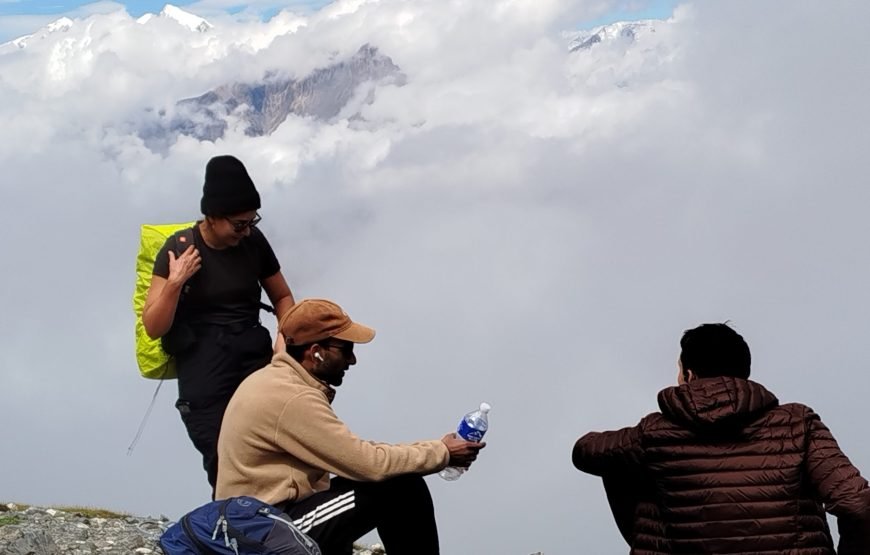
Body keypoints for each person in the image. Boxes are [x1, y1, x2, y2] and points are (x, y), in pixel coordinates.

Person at [216, 298, 485, 555]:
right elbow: (368, 464)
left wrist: (435, 448)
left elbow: (354, 454)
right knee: (399, 487)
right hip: (263, 535)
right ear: (316, 353)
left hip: (258, 524)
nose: (352, 360)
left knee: (384, 483)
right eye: (345, 349)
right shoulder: (292, 397)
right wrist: (442, 453)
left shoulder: (277, 382)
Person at [572, 323, 870, 554]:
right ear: (744, 374)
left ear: (688, 374)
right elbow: (857, 504)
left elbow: (586, 450)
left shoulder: (653, 433)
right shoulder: (798, 423)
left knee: (634, 470)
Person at [142, 155, 295, 491]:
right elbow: (153, 325)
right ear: (211, 216)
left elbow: (282, 297)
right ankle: (232, 529)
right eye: (238, 224)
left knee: (271, 449)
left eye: (251, 221)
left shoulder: (253, 242)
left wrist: (283, 343)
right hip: (204, 367)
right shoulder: (180, 248)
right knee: (222, 459)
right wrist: (175, 282)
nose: (246, 231)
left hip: (253, 358)